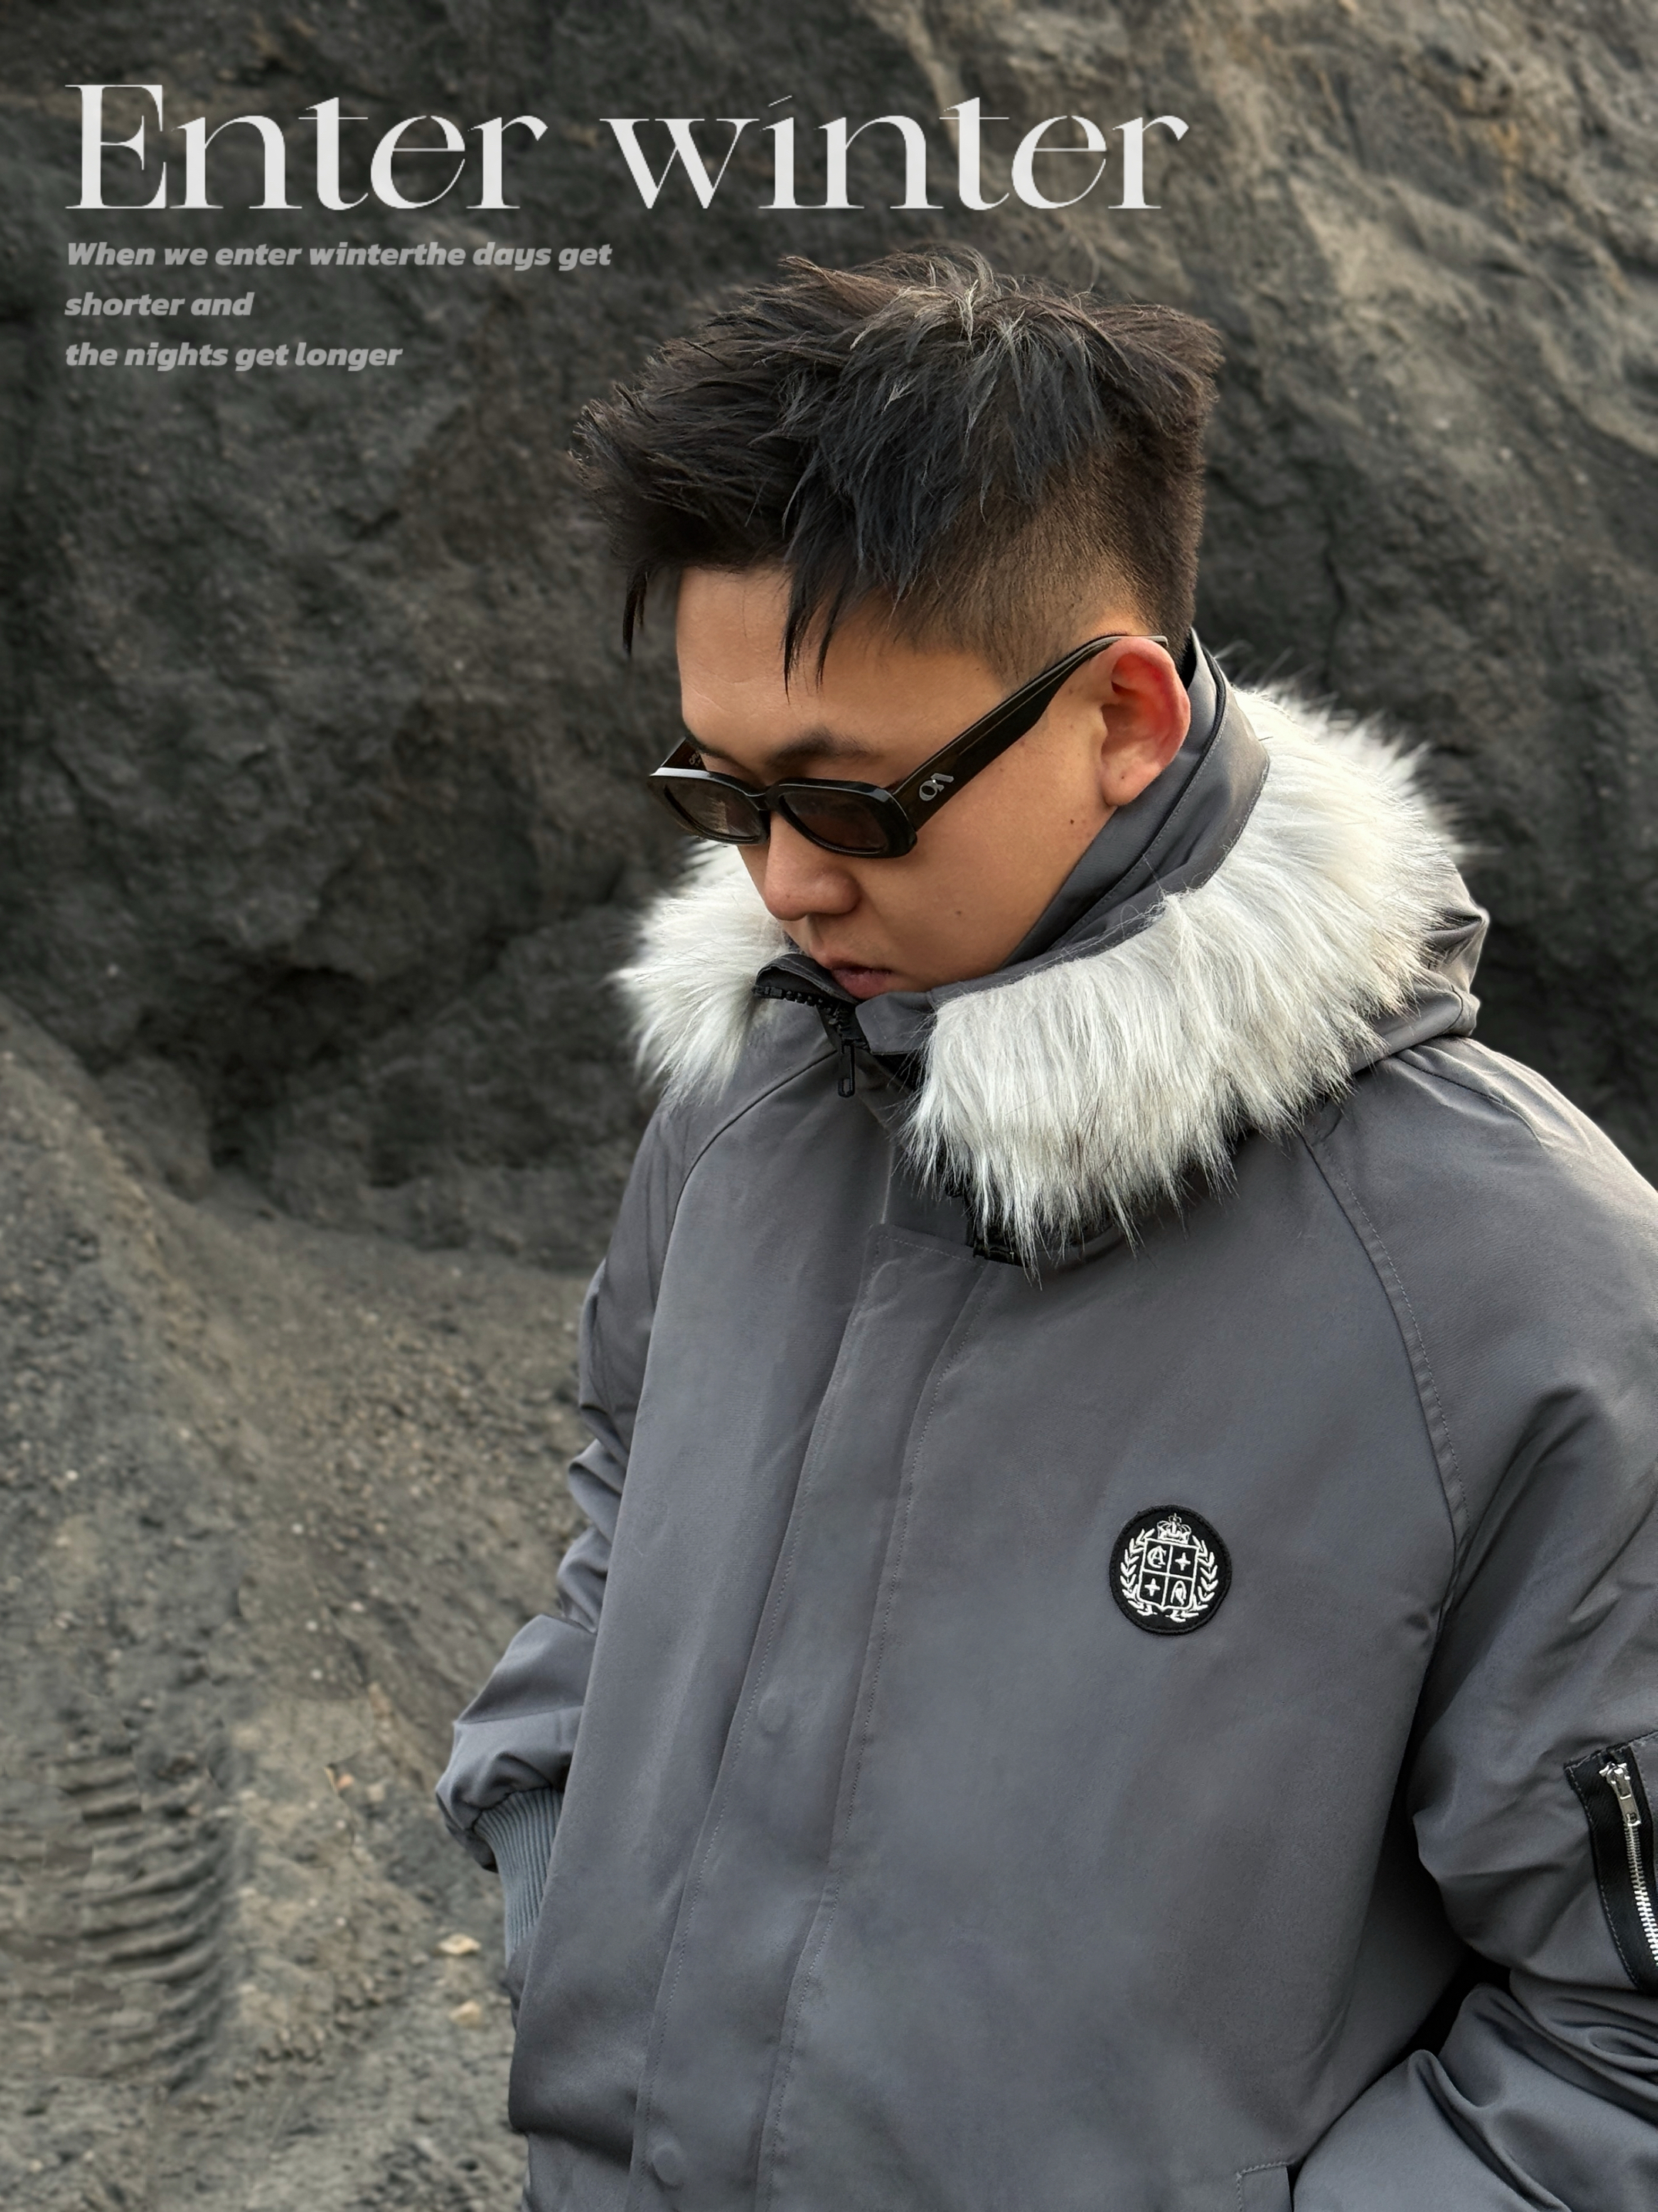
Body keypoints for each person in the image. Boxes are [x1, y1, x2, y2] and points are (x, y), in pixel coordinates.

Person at [436, 252, 1658, 2211]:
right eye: (719, 792)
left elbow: (1622, 2044)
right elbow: (624, 1496)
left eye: (852, 801)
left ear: (1120, 713)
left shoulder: (1522, 1291)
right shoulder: (758, 1100)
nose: (783, 881)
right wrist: (550, 1838)